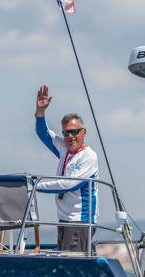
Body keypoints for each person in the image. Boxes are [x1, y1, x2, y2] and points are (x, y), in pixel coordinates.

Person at [34, 85, 98, 252]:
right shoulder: (64, 147)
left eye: (74, 132)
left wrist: (35, 186)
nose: (70, 136)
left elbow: (69, 185)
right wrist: (40, 112)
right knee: (64, 260)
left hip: (80, 222)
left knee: (71, 263)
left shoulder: (89, 156)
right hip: (64, 220)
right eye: (66, 133)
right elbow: (44, 134)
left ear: (84, 132)